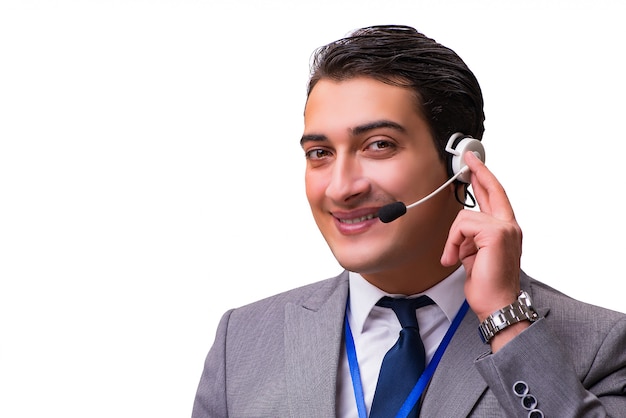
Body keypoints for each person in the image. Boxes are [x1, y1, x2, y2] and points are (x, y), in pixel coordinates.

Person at [191, 25, 626, 417]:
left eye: (379, 145)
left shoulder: (600, 344)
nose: (341, 188)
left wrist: (505, 318)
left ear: (461, 162)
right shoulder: (242, 342)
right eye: (319, 153)